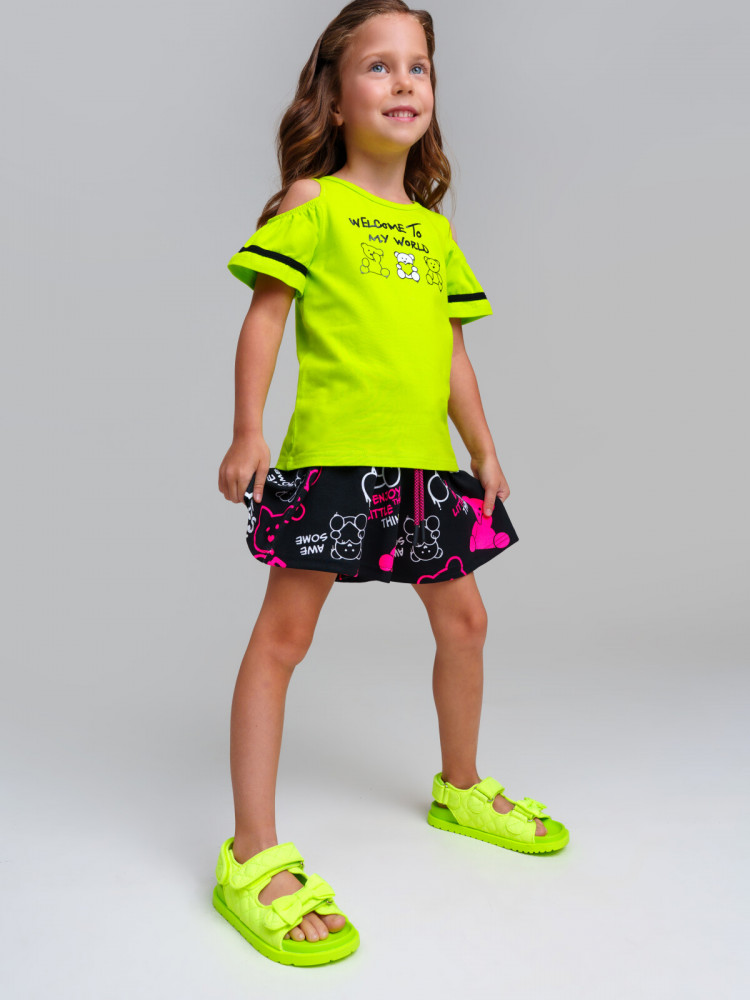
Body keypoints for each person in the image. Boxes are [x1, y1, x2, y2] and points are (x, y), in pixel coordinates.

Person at [213, 0, 569, 968]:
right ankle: (251, 853)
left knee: (468, 623)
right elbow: (264, 319)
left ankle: (462, 785)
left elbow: (451, 353)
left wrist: (483, 448)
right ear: (333, 98)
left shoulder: (430, 230)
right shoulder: (310, 204)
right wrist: (248, 430)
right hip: (333, 464)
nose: (404, 81)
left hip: (423, 472)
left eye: (419, 67)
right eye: (379, 65)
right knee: (283, 639)